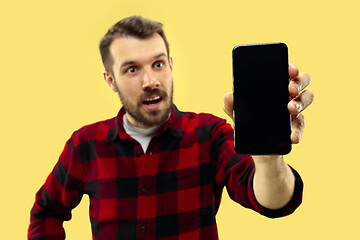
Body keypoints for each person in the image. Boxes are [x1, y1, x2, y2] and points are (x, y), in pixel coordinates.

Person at [28, 16, 314, 240]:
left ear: (171, 65)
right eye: (132, 69)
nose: (150, 80)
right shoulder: (85, 144)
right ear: (110, 80)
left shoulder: (209, 133)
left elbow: (271, 202)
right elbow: (46, 212)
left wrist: (267, 157)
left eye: (158, 63)